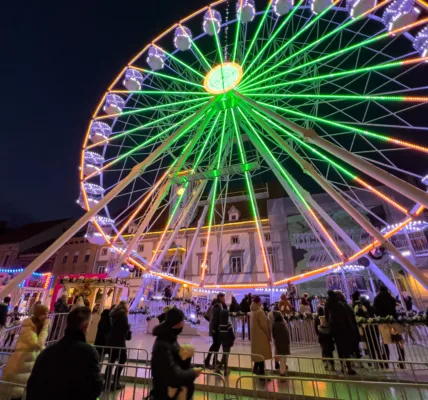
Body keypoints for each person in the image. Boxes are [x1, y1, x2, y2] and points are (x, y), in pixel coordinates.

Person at [27, 306, 103, 400]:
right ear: (86, 326)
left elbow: (32, 386)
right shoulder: (88, 352)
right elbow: (95, 387)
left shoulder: (47, 352)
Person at [149, 307, 201, 400]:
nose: (183, 324)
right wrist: (192, 373)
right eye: (182, 321)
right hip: (165, 395)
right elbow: (172, 375)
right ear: (176, 323)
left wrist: (186, 358)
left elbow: (176, 364)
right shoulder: (163, 344)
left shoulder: (171, 339)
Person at [1, 304, 50, 399]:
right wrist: (46, 328)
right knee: (14, 394)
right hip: (19, 369)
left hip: (25, 371)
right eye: (46, 314)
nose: (48, 317)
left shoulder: (36, 328)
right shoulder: (28, 329)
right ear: (40, 315)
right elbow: (38, 344)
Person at [325, 290, 358, 375]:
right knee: (346, 348)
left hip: (335, 330)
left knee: (339, 348)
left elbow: (327, 318)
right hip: (344, 329)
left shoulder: (328, 306)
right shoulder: (341, 305)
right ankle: (349, 367)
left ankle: (343, 367)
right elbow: (348, 318)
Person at [374, 286, 405, 368]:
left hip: (384, 323)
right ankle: (402, 360)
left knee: (384, 342)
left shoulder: (377, 298)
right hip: (394, 322)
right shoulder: (391, 298)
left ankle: (385, 361)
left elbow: (376, 311)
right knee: (398, 340)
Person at [104, 300, 131, 390]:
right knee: (122, 359)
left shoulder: (113, 314)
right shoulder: (123, 314)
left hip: (111, 339)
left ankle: (107, 382)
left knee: (111, 361)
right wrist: (128, 327)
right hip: (119, 341)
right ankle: (115, 382)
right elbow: (124, 327)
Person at [250, 296, 272, 376]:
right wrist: (268, 335)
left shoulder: (252, 311)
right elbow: (264, 325)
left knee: (257, 353)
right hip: (261, 336)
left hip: (255, 336)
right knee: (261, 354)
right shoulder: (260, 311)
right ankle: (262, 374)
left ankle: (255, 369)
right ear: (258, 302)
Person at [204, 293, 225, 368]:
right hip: (216, 328)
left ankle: (214, 360)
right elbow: (214, 318)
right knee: (215, 344)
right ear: (220, 297)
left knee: (217, 344)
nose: (224, 299)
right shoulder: (217, 306)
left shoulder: (216, 305)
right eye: (223, 297)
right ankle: (207, 360)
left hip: (215, 327)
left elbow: (206, 315)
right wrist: (212, 324)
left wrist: (211, 322)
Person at [216, 308, 235, 376]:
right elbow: (231, 334)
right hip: (228, 342)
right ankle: (219, 367)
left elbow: (220, 333)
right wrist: (233, 339)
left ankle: (226, 370)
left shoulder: (220, 324)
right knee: (225, 356)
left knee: (225, 355)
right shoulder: (228, 324)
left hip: (223, 342)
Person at [271, 311, 290, 376]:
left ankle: (282, 370)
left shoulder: (274, 324)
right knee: (284, 357)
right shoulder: (283, 323)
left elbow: (273, 335)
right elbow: (287, 333)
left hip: (278, 342)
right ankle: (283, 371)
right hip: (285, 342)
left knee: (281, 356)